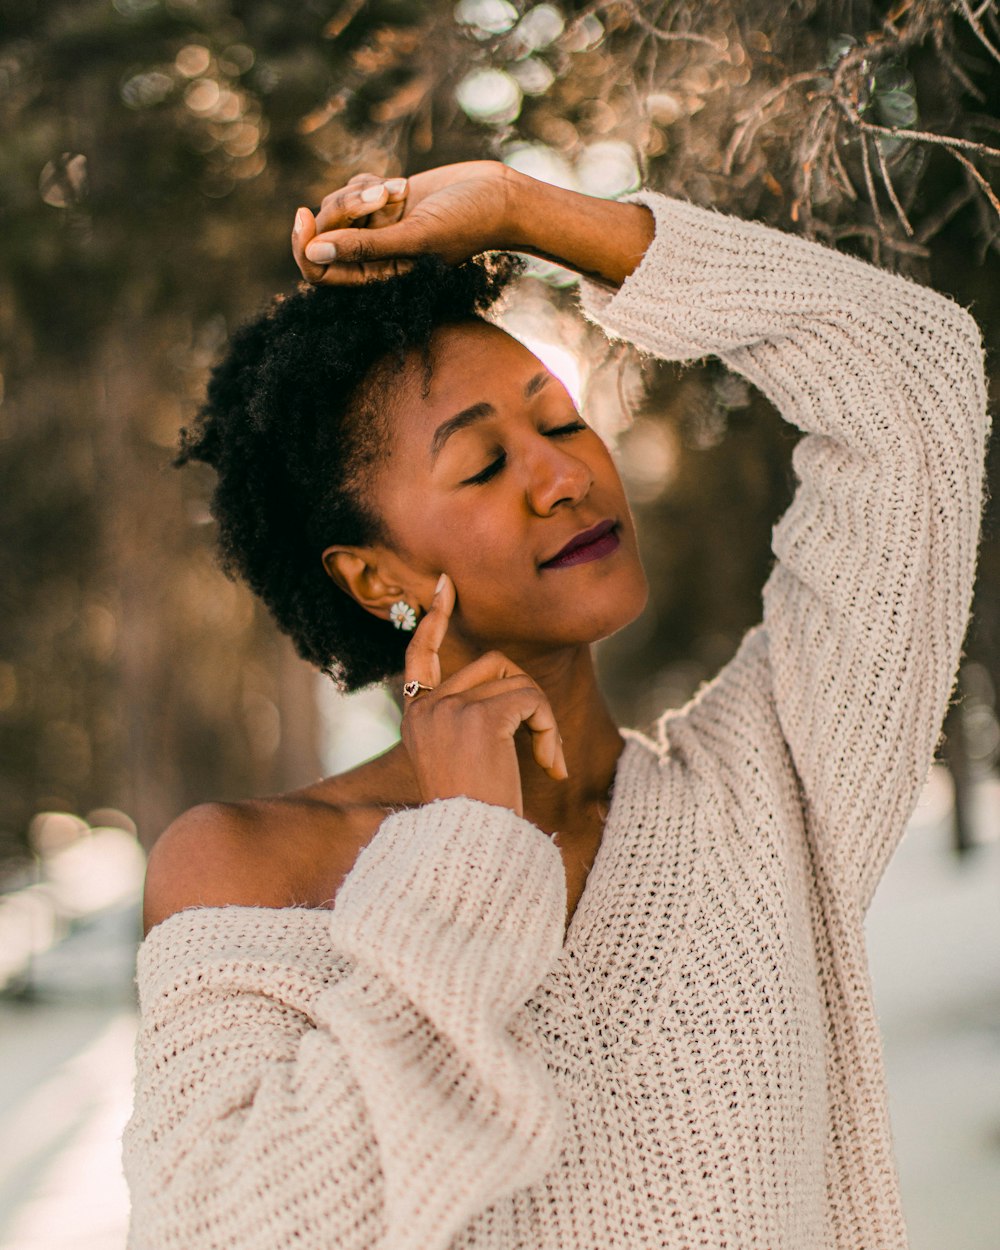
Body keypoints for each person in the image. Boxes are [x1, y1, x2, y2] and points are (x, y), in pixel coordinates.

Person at [123, 160, 990, 1250]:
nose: (562, 475)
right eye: (483, 465)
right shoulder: (252, 873)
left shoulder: (770, 787)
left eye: (562, 421)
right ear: (372, 577)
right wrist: (466, 861)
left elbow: (913, 379)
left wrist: (523, 210)